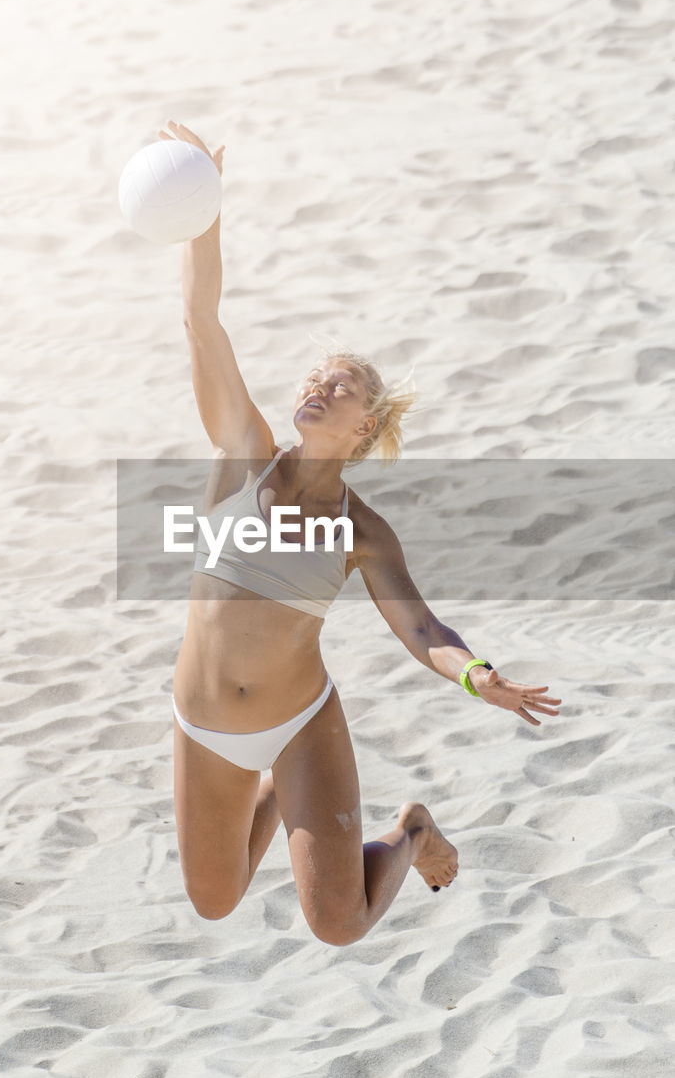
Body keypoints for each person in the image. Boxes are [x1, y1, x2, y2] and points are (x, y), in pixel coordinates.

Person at [160, 120, 562, 947]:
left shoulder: (361, 530)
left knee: (336, 924)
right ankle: (279, 792)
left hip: (300, 722)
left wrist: (476, 675)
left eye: (336, 384)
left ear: (365, 421)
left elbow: (420, 627)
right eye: (313, 376)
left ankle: (410, 829)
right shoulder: (243, 453)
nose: (316, 384)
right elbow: (201, 318)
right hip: (202, 722)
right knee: (214, 898)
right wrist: (203, 213)